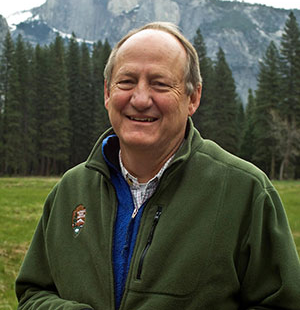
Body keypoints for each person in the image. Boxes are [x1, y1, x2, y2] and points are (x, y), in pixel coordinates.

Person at [16, 22, 300, 310]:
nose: (140, 99)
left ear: (193, 98)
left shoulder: (245, 191)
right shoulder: (70, 189)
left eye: (160, 84)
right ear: (107, 92)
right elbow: (32, 294)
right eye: (126, 81)